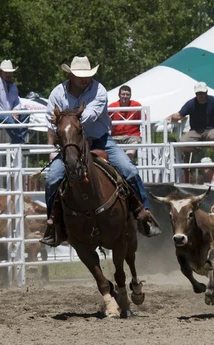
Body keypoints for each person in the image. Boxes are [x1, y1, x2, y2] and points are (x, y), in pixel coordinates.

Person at [41, 56, 160, 245]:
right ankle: (53, 224)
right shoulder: (57, 93)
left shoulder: (99, 90)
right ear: (70, 74)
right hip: (71, 145)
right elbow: (51, 119)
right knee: (52, 179)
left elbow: (90, 115)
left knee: (129, 170)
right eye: (80, 75)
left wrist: (66, 120)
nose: (84, 79)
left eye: (87, 75)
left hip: (100, 141)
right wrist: (55, 145)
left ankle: (144, 215)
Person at [108, 85, 142, 161]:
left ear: (130, 96)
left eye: (127, 94)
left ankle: (126, 166)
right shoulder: (111, 107)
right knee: (113, 156)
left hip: (132, 137)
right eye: (123, 94)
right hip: (115, 137)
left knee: (129, 156)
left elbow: (144, 121)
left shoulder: (137, 106)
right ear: (119, 95)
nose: (125, 96)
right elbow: (105, 122)